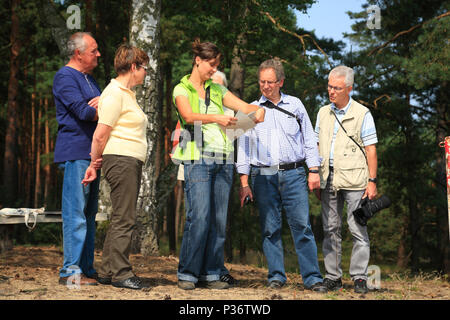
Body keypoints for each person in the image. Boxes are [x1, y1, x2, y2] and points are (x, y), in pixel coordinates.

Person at [173, 40, 265, 290]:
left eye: (217, 66)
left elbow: (247, 108)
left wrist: (258, 111)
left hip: (224, 159)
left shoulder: (218, 90)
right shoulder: (182, 89)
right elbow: (188, 116)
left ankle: (211, 273)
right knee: (199, 217)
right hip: (198, 158)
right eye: (211, 65)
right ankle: (188, 273)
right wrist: (217, 118)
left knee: (218, 220)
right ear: (198, 61)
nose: (214, 70)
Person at [237, 59, 327, 293]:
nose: (265, 86)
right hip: (263, 176)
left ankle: (312, 278)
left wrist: (313, 170)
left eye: (270, 82)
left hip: (294, 174)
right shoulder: (250, 108)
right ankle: (276, 276)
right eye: (262, 82)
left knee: (302, 227)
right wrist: (244, 183)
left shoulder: (295, 105)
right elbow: (243, 148)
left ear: (280, 82)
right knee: (270, 228)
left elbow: (309, 139)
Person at [82, 44, 150, 290]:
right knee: (125, 217)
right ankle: (121, 273)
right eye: (144, 68)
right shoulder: (115, 93)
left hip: (127, 159)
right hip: (121, 159)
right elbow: (100, 135)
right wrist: (93, 163)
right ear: (133, 67)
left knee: (120, 216)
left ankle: (109, 270)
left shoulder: (125, 93)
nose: (145, 73)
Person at [315, 65, 378, 294]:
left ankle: (360, 277)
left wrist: (372, 181)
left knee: (357, 228)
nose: (331, 91)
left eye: (337, 88)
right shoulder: (323, 112)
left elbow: (371, 149)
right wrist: (315, 174)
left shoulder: (363, 113)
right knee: (330, 228)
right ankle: (333, 277)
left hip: (355, 180)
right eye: (329, 86)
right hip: (328, 177)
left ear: (349, 89)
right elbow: (316, 145)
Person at [53, 32, 101, 286]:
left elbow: (101, 111)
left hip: (93, 154)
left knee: (89, 214)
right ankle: (70, 272)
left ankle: (86, 269)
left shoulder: (90, 79)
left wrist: (102, 103)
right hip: (76, 153)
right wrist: (105, 103)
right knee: (76, 214)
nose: (98, 54)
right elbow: (85, 112)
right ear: (78, 53)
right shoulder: (64, 77)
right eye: (94, 50)